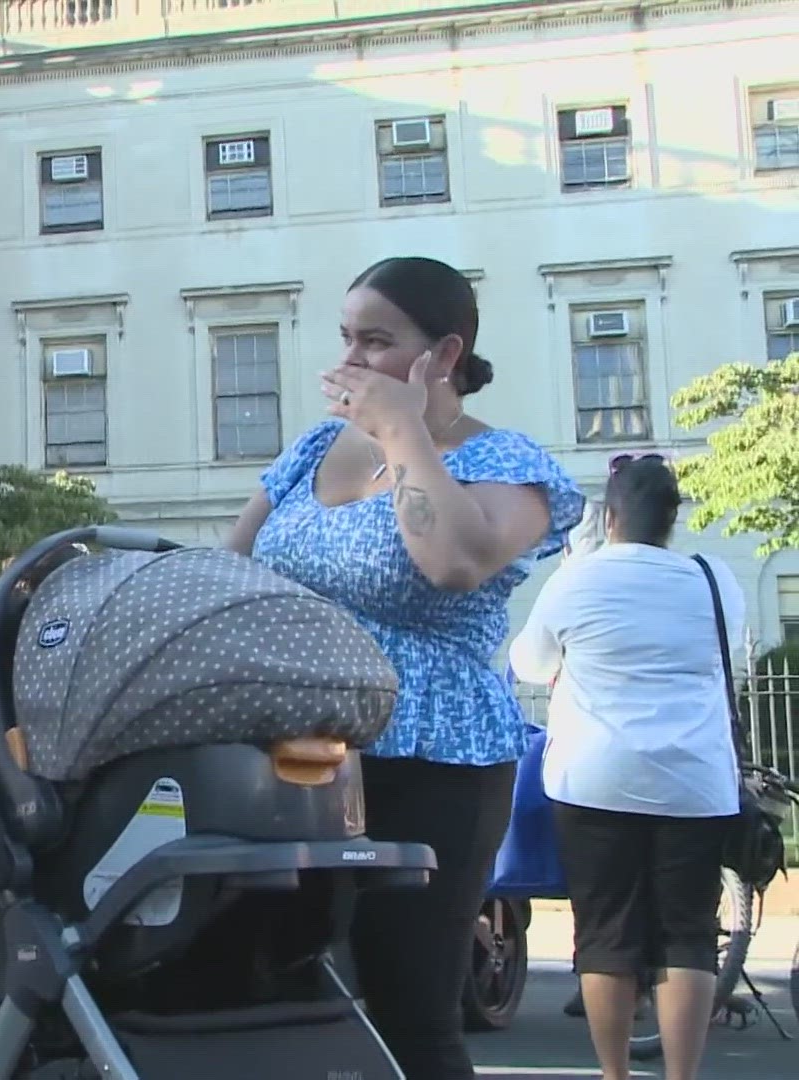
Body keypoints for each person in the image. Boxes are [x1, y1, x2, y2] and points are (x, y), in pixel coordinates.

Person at [227, 255, 585, 1080]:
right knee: (273, 992)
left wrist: (402, 430)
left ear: (444, 355)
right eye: (346, 338)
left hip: (431, 758)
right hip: (294, 757)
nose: (350, 361)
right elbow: (233, 568)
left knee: (409, 1009)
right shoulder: (315, 447)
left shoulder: (505, 463)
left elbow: (454, 560)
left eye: (377, 342)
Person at [508, 455, 743, 1080]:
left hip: (594, 778)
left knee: (605, 936)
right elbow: (727, 663)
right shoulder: (713, 577)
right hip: (695, 782)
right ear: (672, 520)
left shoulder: (578, 579)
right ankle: (681, 1075)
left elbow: (531, 662)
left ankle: (615, 1074)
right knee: (687, 936)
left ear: (608, 517)